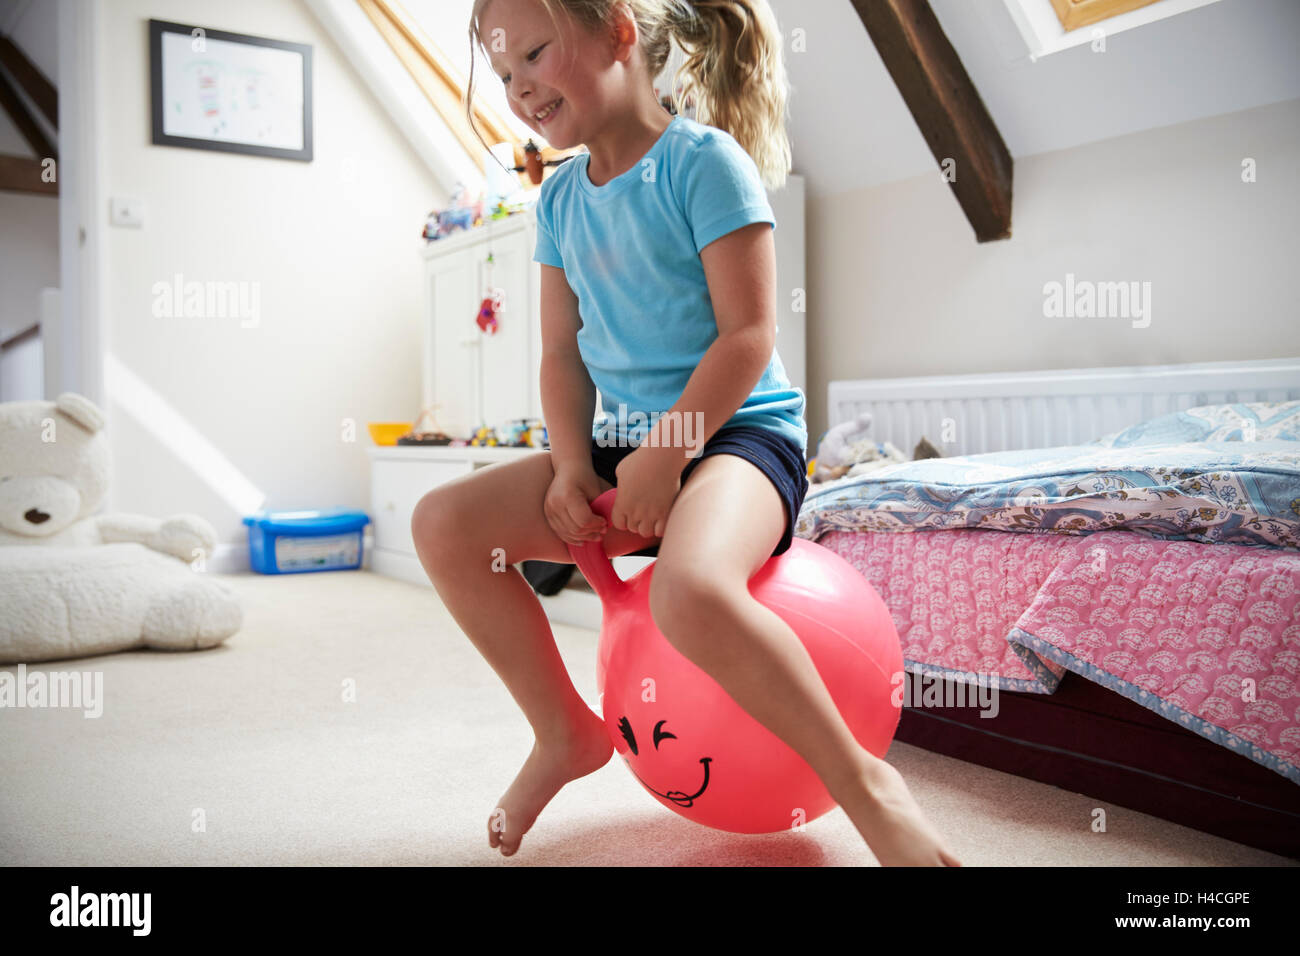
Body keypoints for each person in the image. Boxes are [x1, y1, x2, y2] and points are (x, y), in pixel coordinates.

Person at [412, 0, 961, 866]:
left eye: (536, 53)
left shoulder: (704, 163)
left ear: (619, 32)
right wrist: (566, 468)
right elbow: (562, 356)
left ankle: (866, 785)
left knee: (691, 591)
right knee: (442, 525)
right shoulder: (557, 200)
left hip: (740, 438)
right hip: (624, 449)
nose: (518, 87)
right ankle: (564, 731)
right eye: (504, 72)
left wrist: (667, 456)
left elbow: (748, 337)